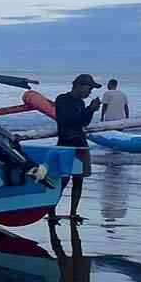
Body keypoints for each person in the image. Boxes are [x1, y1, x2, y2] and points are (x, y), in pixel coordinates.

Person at [51, 74, 100, 223]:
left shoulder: (80, 103)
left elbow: (83, 122)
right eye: (89, 87)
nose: (90, 91)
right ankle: (51, 212)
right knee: (61, 181)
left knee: (78, 180)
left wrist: (91, 110)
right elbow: (68, 121)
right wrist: (89, 109)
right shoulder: (62, 100)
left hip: (80, 144)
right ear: (78, 85)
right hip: (66, 144)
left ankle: (73, 213)